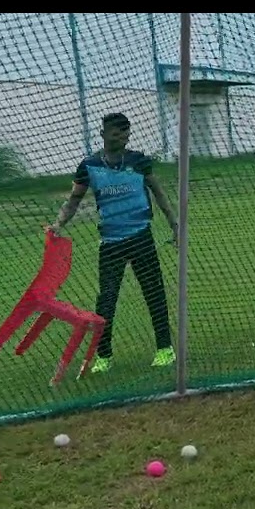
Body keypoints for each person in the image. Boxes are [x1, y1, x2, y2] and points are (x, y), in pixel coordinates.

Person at [48, 112, 177, 374]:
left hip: (141, 236)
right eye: (117, 133)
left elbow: (158, 191)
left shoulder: (138, 161)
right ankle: (103, 356)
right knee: (106, 300)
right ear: (104, 134)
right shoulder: (89, 165)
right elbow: (74, 199)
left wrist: (174, 222)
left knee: (154, 294)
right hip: (111, 242)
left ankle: (165, 349)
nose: (123, 137)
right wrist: (59, 224)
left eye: (126, 133)